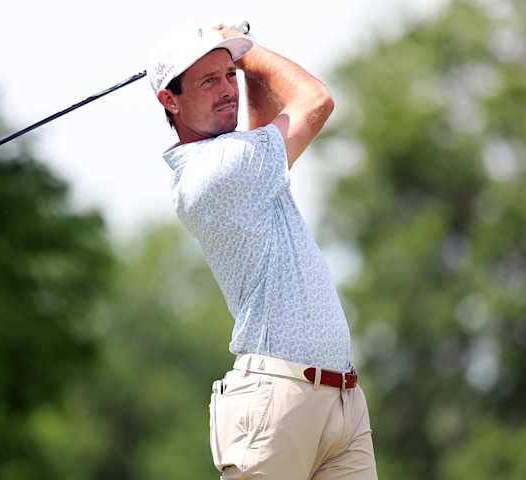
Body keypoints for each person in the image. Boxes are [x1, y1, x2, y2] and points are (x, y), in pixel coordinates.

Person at [147, 23, 378, 480]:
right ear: (170, 100)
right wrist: (247, 50)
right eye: (208, 80)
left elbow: (259, 124)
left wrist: (241, 62)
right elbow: (315, 100)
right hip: (276, 402)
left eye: (229, 74)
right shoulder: (215, 172)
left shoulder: (240, 159)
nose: (227, 89)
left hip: (342, 402)